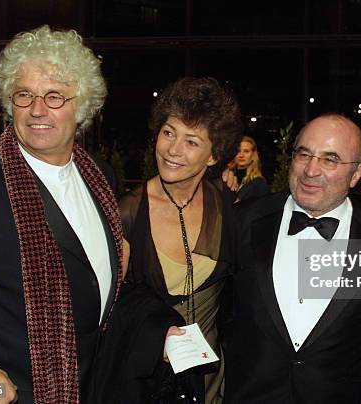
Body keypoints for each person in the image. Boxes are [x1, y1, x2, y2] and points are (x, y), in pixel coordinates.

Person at [0, 25, 178, 404]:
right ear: (8, 102)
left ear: (81, 106)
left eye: (54, 97)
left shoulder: (100, 176)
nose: (37, 110)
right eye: (24, 95)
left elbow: (92, 293)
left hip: (93, 389)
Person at [224, 114, 361, 403]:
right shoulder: (242, 221)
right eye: (304, 155)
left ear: (357, 173)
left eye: (330, 160)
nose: (311, 170)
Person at [117, 77, 242, 403]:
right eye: (169, 132)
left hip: (212, 378)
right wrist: (153, 337)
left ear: (214, 156)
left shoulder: (224, 202)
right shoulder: (127, 213)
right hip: (150, 380)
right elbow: (109, 307)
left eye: (191, 141)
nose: (173, 150)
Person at [229, 135, 269, 202]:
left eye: (246, 151)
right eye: (238, 151)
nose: (241, 155)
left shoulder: (258, 183)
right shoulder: (227, 177)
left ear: (253, 155)